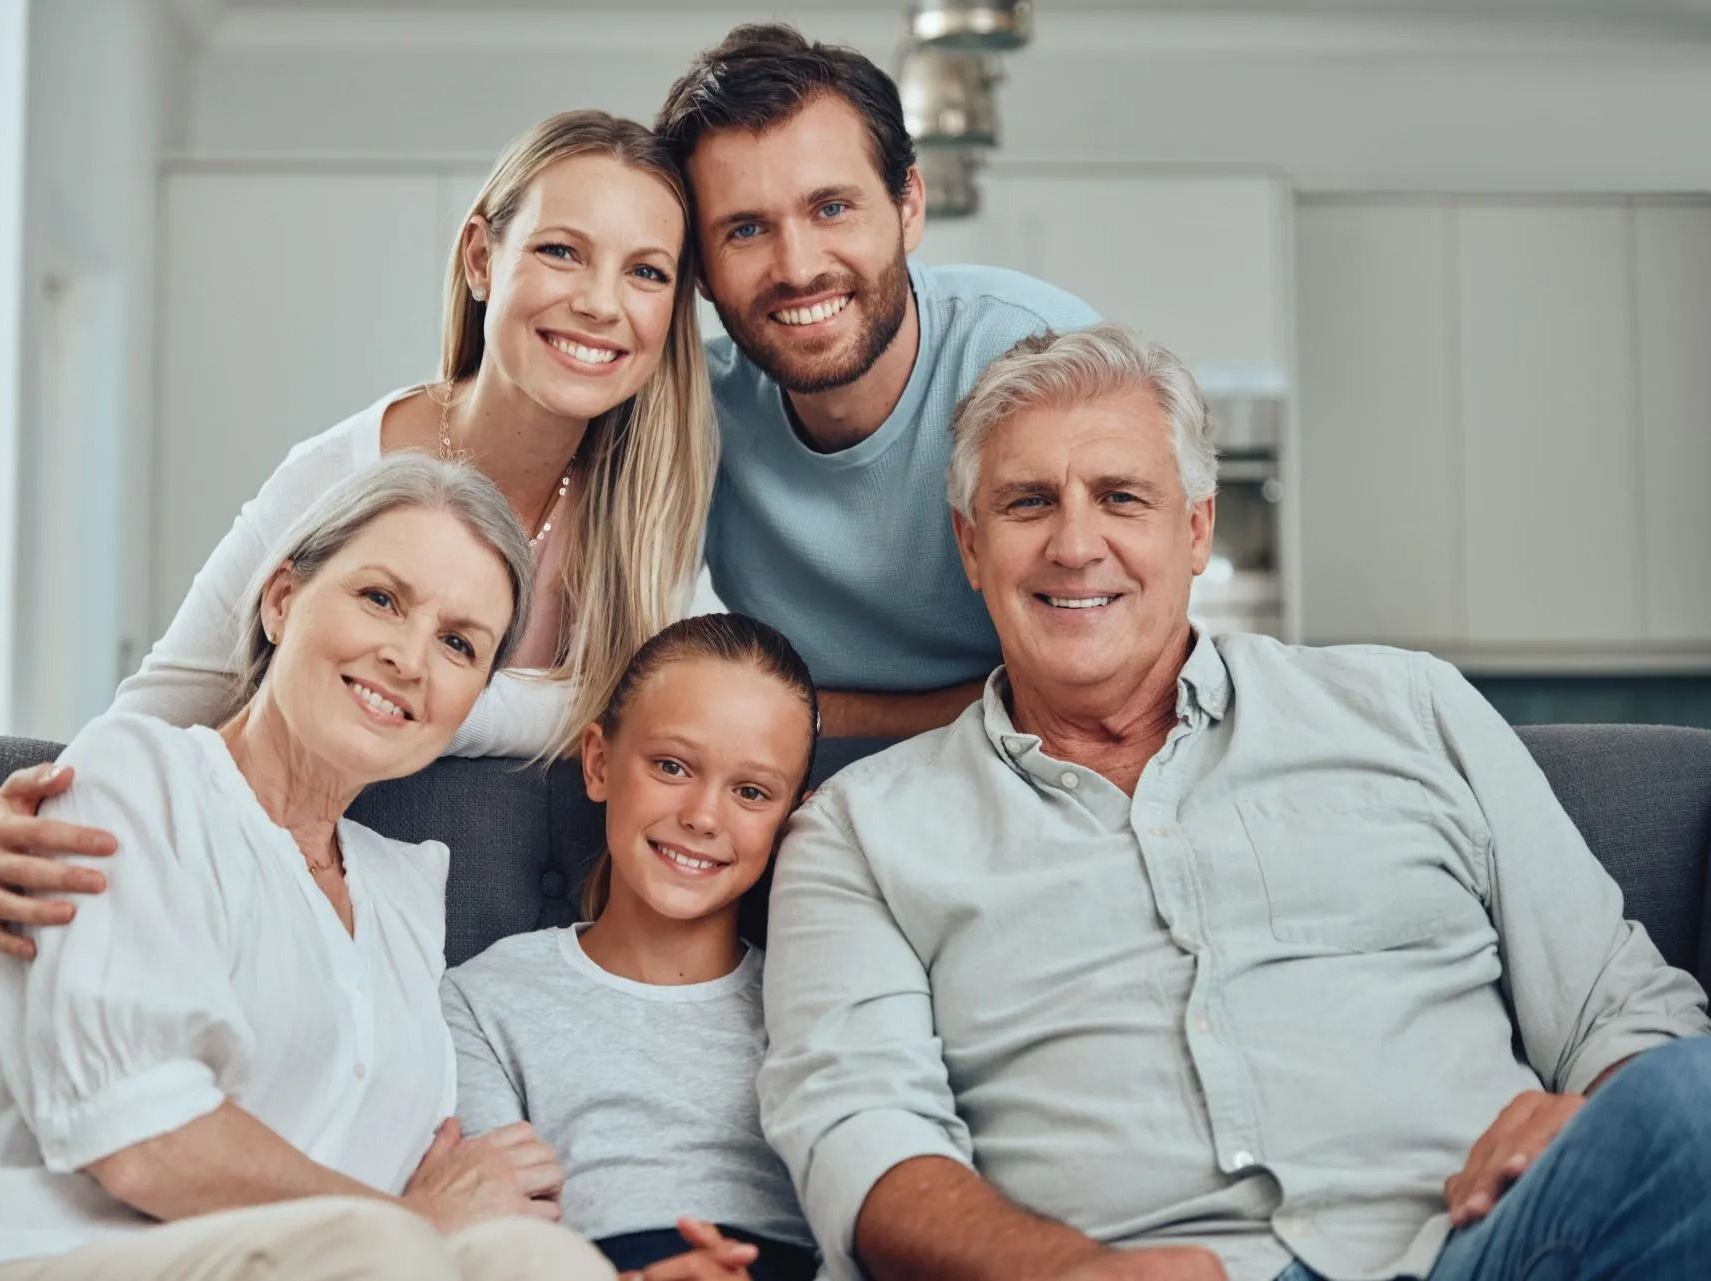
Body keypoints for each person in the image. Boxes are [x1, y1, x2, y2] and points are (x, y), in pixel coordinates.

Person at [757, 324, 1711, 1281]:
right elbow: (858, 1131)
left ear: (1197, 527)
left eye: (1122, 497)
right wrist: (1064, 1271)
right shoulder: (859, 830)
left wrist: (1592, 1112)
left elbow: (1619, 1008)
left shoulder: (1410, 709)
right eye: (1028, 502)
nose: (1076, 543)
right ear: (972, 545)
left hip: (1487, 1249)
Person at [0, 455, 618, 1281]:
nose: (409, 659)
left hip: (317, 1265)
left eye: (459, 644)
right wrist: (414, 1223)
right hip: (21, 1256)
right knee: (386, 1251)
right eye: (381, 598)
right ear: (282, 599)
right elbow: (140, 1140)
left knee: (537, 1260)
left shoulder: (406, 893)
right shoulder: (134, 779)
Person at [0, 109, 716, 957]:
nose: (601, 303)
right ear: (481, 257)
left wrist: (422, 703)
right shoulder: (340, 471)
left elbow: (662, 722)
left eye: (645, 272)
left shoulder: (652, 508)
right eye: (561, 251)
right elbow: (154, 715)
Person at [655, 24, 1102, 739]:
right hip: (804, 817)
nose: (798, 268)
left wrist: (823, 713)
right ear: (700, 269)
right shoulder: (691, 412)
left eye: (831, 208)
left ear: (908, 206)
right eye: (745, 229)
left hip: (1030, 790)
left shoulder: (1042, 353)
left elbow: (1107, 671)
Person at [441, 615, 821, 1281]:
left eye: (751, 791)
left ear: (794, 818)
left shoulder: (815, 1001)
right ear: (599, 763)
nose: (703, 815)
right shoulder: (483, 999)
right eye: (672, 765)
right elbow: (494, 1236)